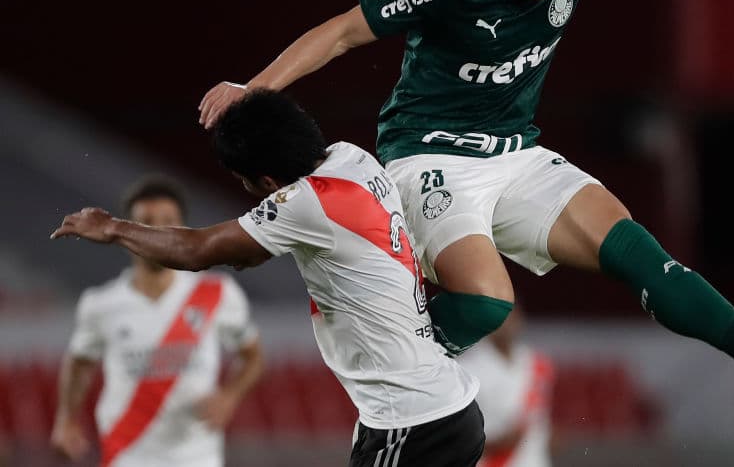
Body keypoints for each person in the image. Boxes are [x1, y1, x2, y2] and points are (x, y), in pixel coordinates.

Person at [197, 0, 734, 401]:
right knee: (486, 304)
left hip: (516, 155)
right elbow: (341, 33)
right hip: (429, 156)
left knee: (638, 254)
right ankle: (385, 361)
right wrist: (252, 88)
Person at [53, 90, 484, 467]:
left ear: (265, 181)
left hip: (412, 419)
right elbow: (253, 249)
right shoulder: (352, 158)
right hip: (437, 407)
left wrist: (112, 228)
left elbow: (198, 250)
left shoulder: (306, 203)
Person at [50, 176, 264, 467]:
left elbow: (252, 356)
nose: (156, 230)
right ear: (128, 233)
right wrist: (66, 420)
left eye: (167, 220)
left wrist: (229, 396)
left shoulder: (217, 293)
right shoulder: (100, 303)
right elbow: (80, 363)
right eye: (145, 222)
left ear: (184, 229)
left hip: (197, 456)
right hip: (126, 454)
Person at [458, 307, 554, 467]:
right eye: (501, 314)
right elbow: (457, 441)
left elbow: (540, 421)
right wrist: (497, 444)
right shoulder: (467, 369)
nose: (508, 321)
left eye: (512, 313)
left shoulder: (537, 363)